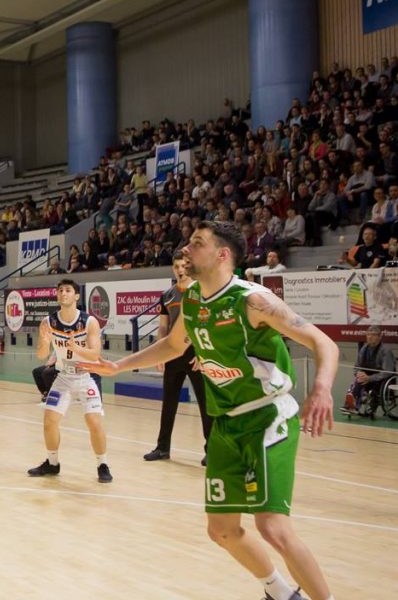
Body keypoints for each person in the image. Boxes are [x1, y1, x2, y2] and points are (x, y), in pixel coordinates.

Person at [82, 221, 337, 600]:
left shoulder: (253, 300)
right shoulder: (193, 301)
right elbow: (174, 346)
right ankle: (281, 593)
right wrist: (119, 365)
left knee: (272, 528)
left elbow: (323, 342)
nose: (186, 248)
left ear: (222, 255)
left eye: (197, 243)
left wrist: (322, 388)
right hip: (226, 424)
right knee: (221, 530)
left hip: (268, 416)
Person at [27, 279, 113, 483]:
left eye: (67, 290)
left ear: (76, 296)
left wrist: (76, 349)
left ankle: (102, 464)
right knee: (49, 421)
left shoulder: (89, 321)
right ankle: (52, 463)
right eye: (60, 290)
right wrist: (44, 342)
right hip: (63, 377)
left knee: (94, 421)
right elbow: (41, 355)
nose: (63, 293)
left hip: (87, 376)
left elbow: (95, 354)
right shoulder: (48, 322)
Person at [144, 254, 212, 463]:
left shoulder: (203, 292)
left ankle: (212, 450)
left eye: (183, 266)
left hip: (195, 353)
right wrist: (159, 354)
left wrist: (203, 354)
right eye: (176, 266)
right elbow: (163, 327)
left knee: (205, 403)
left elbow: (207, 324)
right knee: (169, 402)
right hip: (173, 353)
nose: (180, 270)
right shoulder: (167, 295)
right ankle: (162, 448)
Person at [341, 326, 398, 416]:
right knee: (358, 380)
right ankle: (350, 406)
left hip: (382, 379)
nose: (370, 337)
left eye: (373, 335)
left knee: (365, 382)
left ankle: (354, 406)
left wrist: (370, 378)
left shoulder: (386, 351)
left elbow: (387, 372)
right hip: (366, 377)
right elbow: (357, 366)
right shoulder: (364, 349)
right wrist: (359, 373)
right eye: (368, 334)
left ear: (379, 337)